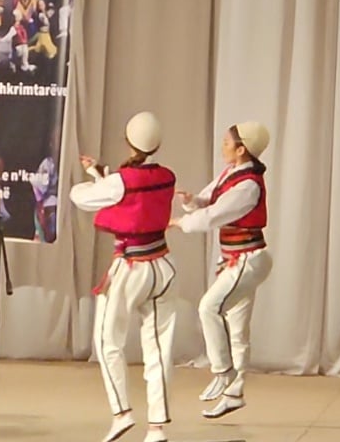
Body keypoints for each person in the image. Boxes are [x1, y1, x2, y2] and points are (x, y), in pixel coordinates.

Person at [70, 112, 178, 442]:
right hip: (162, 265)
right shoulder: (167, 176)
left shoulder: (121, 180)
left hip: (131, 267)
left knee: (108, 342)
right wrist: (100, 172)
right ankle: (157, 426)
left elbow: (83, 197)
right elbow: (134, 190)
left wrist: (92, 181)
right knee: (158, 348)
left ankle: (121, 413)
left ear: (128, 141)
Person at [169, 121, 272, 419]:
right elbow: (209, 200)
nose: (223, 147)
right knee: (237, 330)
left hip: (248, 260)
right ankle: (234, 394)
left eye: (227, 143)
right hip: (237, 259)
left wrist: (180, 222)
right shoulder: (232, 173)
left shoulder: (248, 185)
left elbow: (215, 215)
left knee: (209, 308)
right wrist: (192, 202)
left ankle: (223, 372)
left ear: (242, 149)